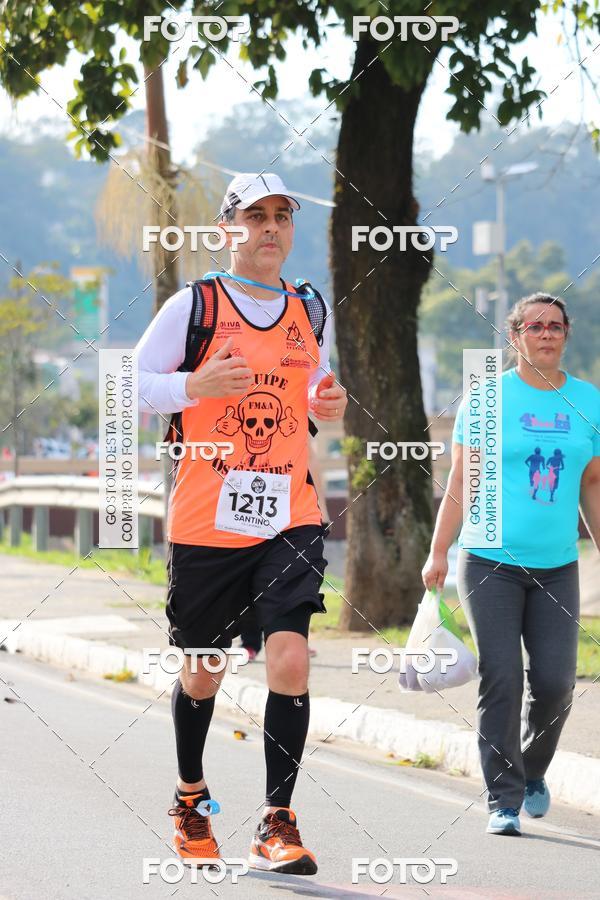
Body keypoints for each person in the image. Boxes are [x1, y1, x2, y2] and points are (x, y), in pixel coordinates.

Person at [136, 172, 347, 874]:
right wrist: (191, 387)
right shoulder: (193, 306)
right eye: (255, 216)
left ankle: (277, 822)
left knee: (289, 656)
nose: (270, 228)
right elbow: (128, 388)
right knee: (204, 671)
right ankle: (191, 799)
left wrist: (327, 403)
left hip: (290, 512)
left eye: (282, 216)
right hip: (207, 521)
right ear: (227, 228)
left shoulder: (308, 309)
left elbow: (314, 388)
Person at [422, 293, 600, 836]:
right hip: (488, 562)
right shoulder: (485, 401)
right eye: (535, 326)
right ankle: (503, 798)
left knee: (555, 683)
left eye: (556, 327)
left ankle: (532, 770)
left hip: (557, 566)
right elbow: (460, 481)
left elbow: (592, 484)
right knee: (501, 676)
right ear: (514, 335)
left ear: (566, 335)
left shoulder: (588, 402)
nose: (547, 335)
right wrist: (437, 551)